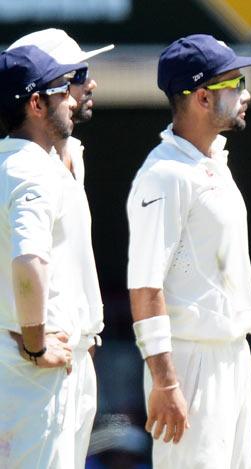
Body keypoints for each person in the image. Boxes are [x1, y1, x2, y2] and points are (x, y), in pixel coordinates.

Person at [126, 34, 251, 469]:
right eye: (235, 83)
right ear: (203, 97)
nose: (246, 94)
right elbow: (145, 286)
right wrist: (165, 382)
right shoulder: (164, 174)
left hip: (233, 355)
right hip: (191, 363)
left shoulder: (211, 163)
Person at [8, 28, 114, 468]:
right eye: (77, 74)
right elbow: (26, 258)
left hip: (70, 358)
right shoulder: (25, 164)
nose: (88, 85)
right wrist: (33, 339)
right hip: (34, 360)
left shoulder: (66, 153)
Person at [0, 45, 87, 468]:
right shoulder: (32, 171)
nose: (71, 98)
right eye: (60, 91)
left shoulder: (6, 164)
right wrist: (36, 345)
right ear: (36, 103)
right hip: (28, 369)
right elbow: (28, 260)